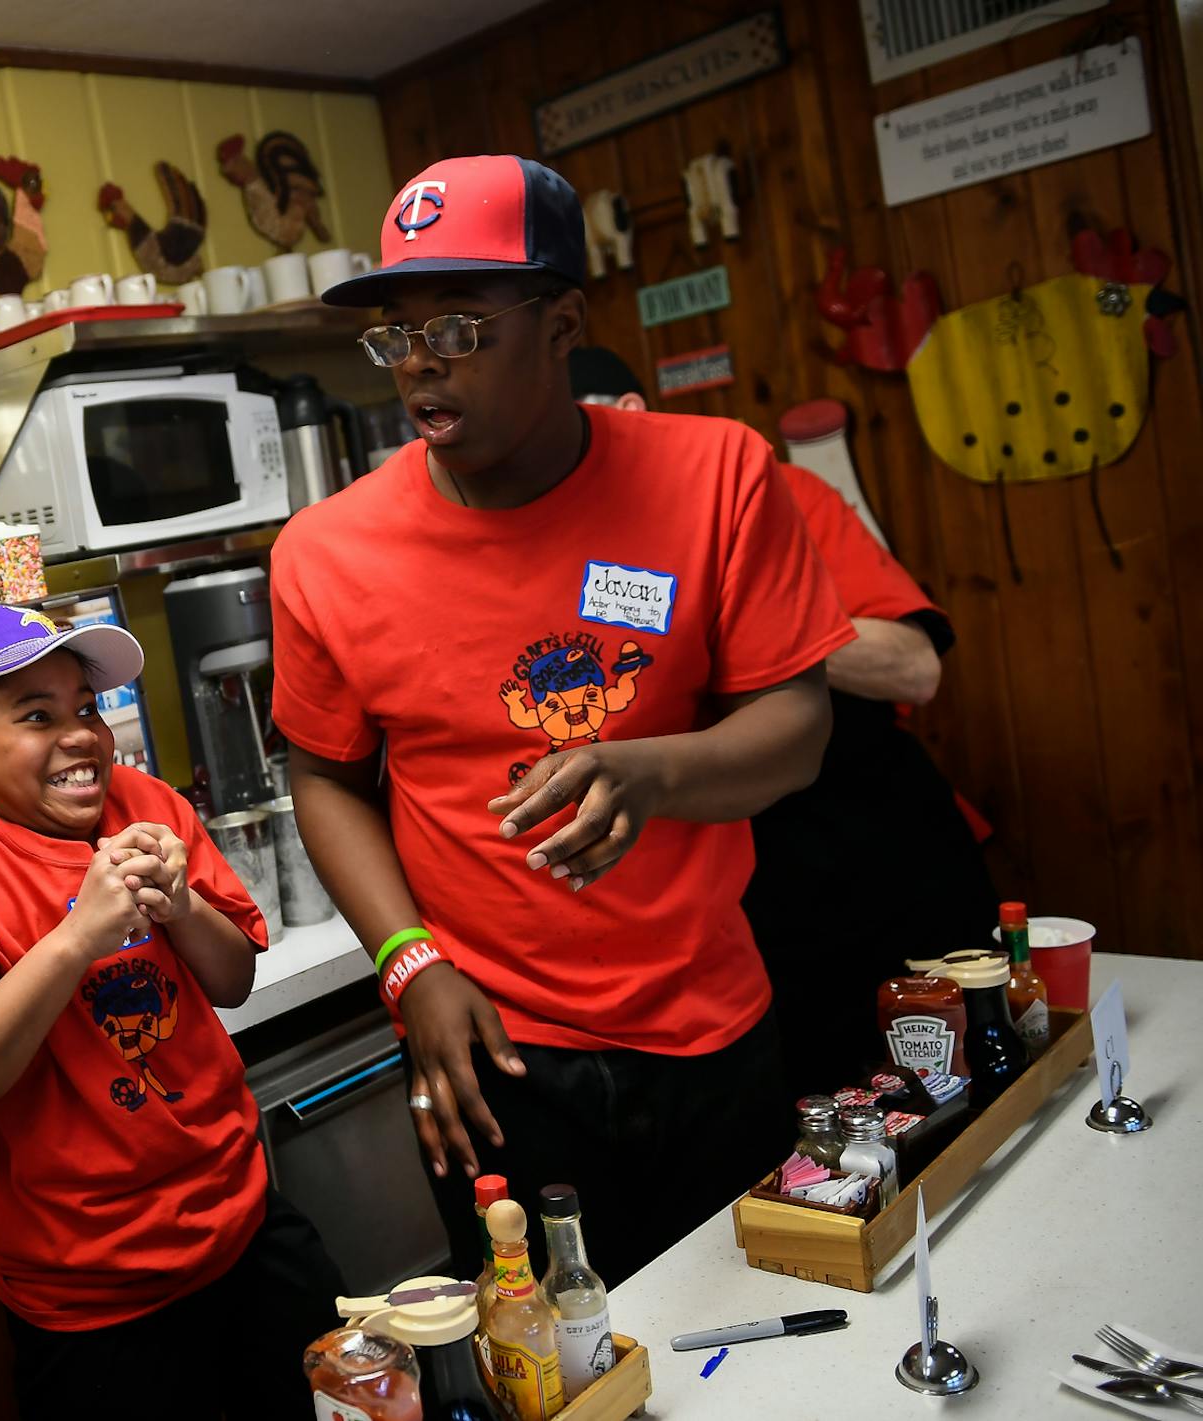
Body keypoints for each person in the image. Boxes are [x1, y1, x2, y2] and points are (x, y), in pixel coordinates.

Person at [272, 153, 856, 1285]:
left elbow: (799, 725)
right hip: (491, 1057)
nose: (421, 363)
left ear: (563, 321)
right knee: (551, 1372)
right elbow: (327, 775)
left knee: (762, 1351)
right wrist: (408, 963)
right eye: (396, 333)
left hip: (711, 1029)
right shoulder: (325, 553)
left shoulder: (717, 475)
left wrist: (653, 774)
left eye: (458, 324)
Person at [0, 603, 344, 1420]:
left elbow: (232, 977)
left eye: (85, 707)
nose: (80, 734)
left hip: (243, 1222)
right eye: (36, 715)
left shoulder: (146, 802)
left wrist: (182, 908)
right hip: (93, 1295)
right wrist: (72, 941)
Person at [569, 347, 998, 1092]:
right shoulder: (567, 555)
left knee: (964, 1092)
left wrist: (750, 619)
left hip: (876, 846)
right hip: (729, 898)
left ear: (633, 415)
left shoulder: (769, 493)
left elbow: (914, 666)